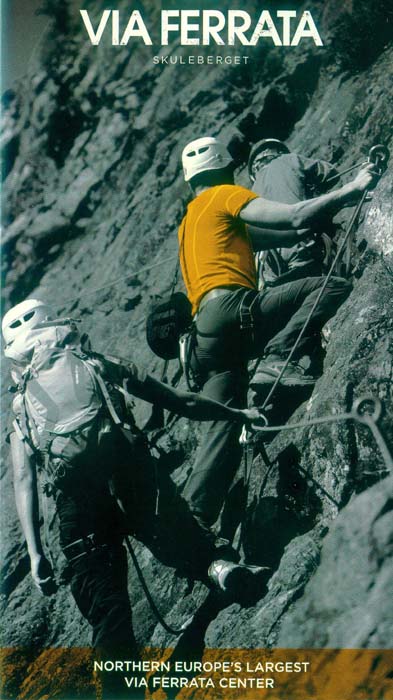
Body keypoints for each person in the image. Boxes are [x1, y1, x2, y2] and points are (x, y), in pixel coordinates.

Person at [3, 299, 268, 676]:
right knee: (181, 539)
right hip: (132, 474)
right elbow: (181, 401)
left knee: (109, 614)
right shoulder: (95, 363)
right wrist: (237, 414)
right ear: (56, 325)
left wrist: (35, 552)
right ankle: (221, 568)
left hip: (79, 509)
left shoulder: (21, 406)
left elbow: (24, 479)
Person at [178, 135, 377, 534]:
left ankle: (192, 521)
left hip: (207, 338)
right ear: (225, 169)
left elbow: (277, 235)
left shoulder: (188, 223)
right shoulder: (224, 196)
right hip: (235, 311)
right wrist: (353, 189)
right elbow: (294, 216)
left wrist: (312, 221)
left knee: (223, 421)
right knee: (329, 286)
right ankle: (278, 356)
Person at [248, 138, 340, 287]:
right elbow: (330, 173)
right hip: (304, 247)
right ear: (278, 152)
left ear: (254, 169)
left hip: (272, 270)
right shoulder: (288, 160)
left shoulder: (249, 195)